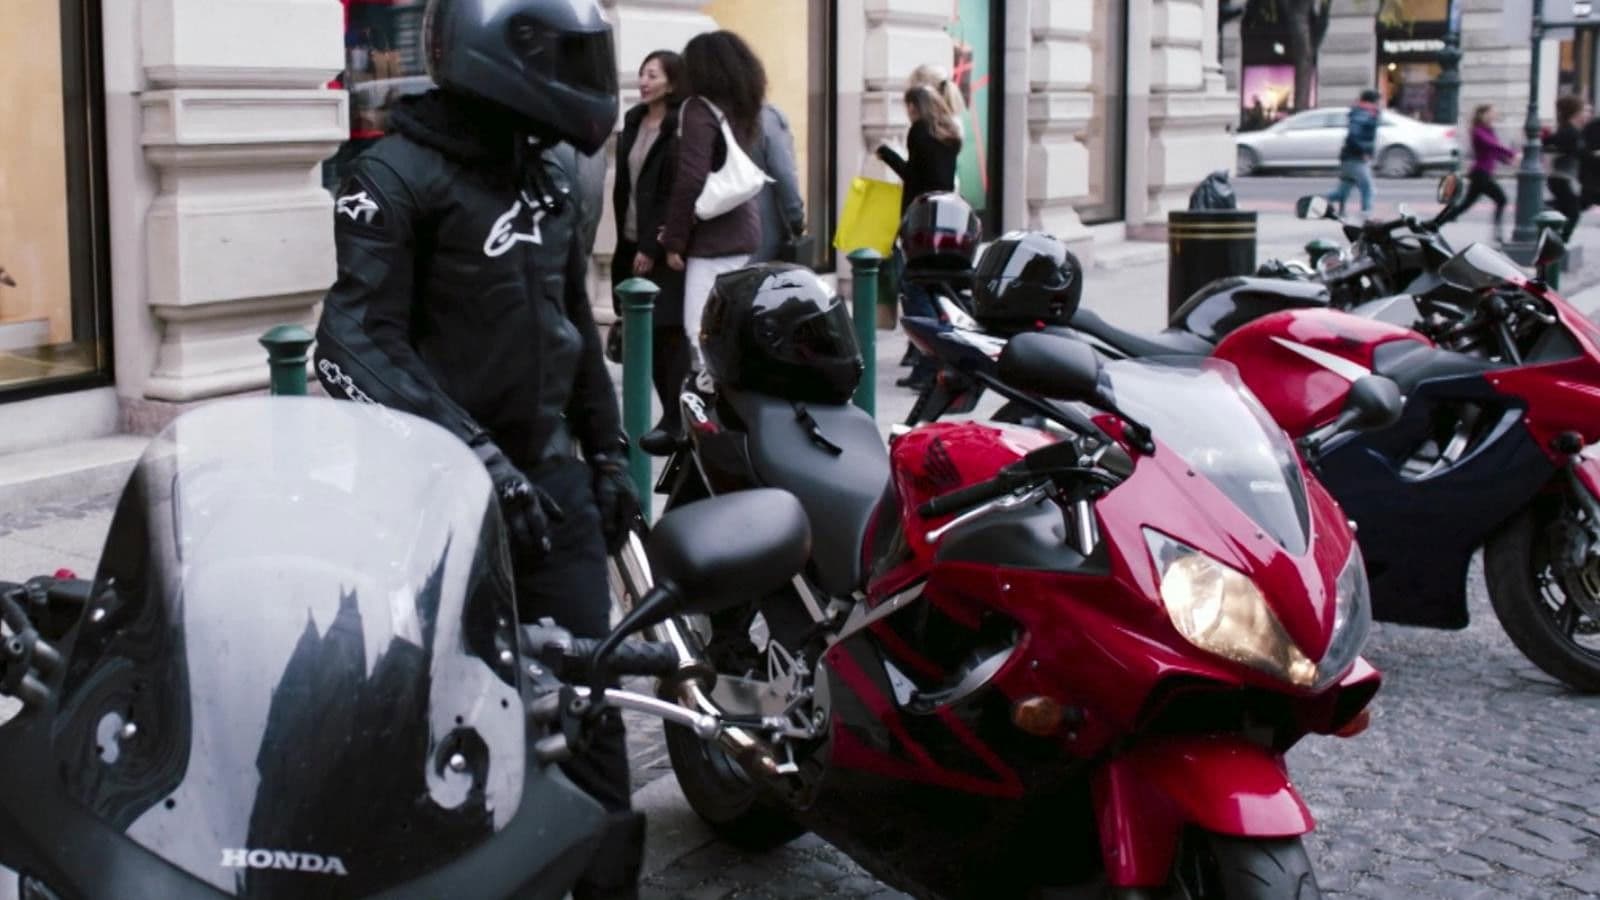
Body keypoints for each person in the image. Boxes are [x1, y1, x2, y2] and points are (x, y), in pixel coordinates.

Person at [311, 1, 643, 896]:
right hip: (433, 504)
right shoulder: (390, 175)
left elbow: (571, 323)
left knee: (589, 710)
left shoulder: (552, 178)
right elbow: (353, 341)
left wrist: (608, 452)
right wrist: (477, 458)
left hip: (552, 494)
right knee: (435, 724)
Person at [661, 30, 767, 370]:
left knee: (701, 332)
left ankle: (713, 399)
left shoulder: (697, 109)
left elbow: (691, 178)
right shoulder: (741, 107)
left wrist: (675, 240)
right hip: (743, 230)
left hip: (713, 239)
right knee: (728, 327)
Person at [612, 49, 692, 452]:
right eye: (642, 74)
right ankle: (672, 416)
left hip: (657, 245)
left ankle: (676, 416)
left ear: (672, 83)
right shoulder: (633, 121)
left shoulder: (678, 127)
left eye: (653, 75)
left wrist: (650, 245)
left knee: (666, 332)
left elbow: (671, 191)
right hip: (628, 237)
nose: (644, 82)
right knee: (649, 334)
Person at [877, 84, 961, 389]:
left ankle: (928, 366)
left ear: (915, 106)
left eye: (908, 106)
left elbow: (914, 177)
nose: (908, 112)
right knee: (934, 289)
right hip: (945, 218)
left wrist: (888, 155)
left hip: (921, 219)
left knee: (914, 291)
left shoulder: (919, 132)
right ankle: (943, 358)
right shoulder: (950, 134)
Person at [1436, 104, 1516, 242]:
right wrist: (1512, 154)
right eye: (1491, 113)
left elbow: (1493, 151)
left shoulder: (1489, 130)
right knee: (1501, 199)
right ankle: (1497, 234)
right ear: (1483, 115)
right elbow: (1493, 145)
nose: (1494, 115)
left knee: (1465, 205)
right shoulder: (1478, 131)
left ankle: (1437, 223)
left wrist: (1506, 161)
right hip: (1481, 173)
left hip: (1483, 173)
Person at [750, 102, 807, 264]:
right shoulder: (767, 118)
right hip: (763, 230)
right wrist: (796, 219)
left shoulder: (710, 114)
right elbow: (783, 172)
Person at [1328, 88, 1380, 217]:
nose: (1379, 104)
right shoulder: (1362, 114)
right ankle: (1366, 215)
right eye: (1377, 102)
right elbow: (1354, 136)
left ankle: (1315, 201)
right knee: (1368, 189)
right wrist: (1363, 152)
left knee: (1342, 192)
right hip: (1355, 158)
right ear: (1371, 102)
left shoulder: (1365, 113)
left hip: (1350, 158)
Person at [1545, 95, 1587, 240]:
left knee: (1564, 210)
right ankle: (1560, 242)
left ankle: (1555, 241)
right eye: (1583, 111)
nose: (1586, 114)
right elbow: (1551, 144)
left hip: (1565, 178)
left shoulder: (1572, 130)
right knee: (1573, 213)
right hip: (1561, 178)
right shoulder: (1569, 132)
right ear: (1576, 113)